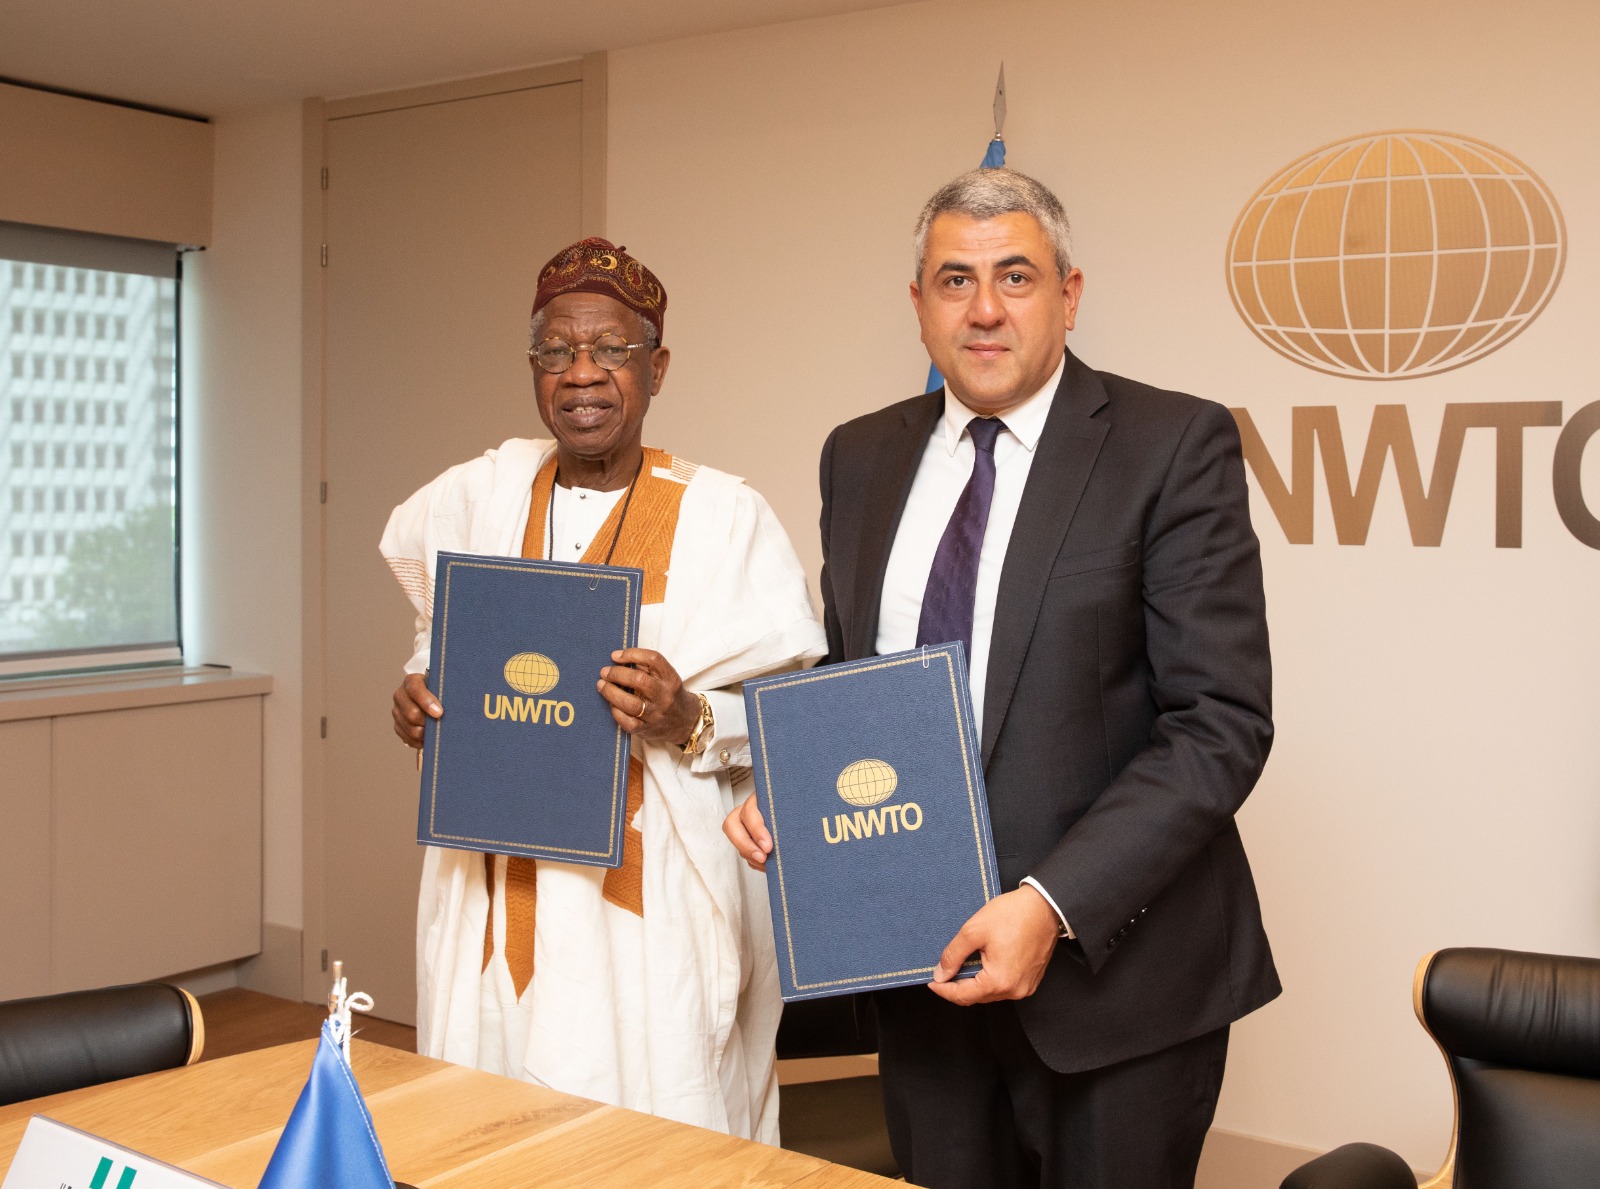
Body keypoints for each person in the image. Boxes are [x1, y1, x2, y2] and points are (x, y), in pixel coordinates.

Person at [725, 169, 1279, 1187]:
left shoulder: (1171, 445)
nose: (985, 309)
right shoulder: (859, 456)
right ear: (919, 305)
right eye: (955, 280)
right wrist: (796, 784)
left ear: (1069, 295)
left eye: (1015, 277)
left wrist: (1050, 902)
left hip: (1118, 993)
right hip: (922, 977)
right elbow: (861, 680)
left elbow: (1219, 723)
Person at [383, 237, 825, 1143]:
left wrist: (687, 715)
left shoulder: (725, 516)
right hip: (493, 890)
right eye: (557, 350)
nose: (582, 373)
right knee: (485, 1126)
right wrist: (416, 693)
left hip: (648, 911)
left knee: (648, 1138)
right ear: (533, 367)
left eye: (612, 349)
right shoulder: (480, 494)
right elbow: (437, 637)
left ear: (655, 368)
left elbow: (795, 723)